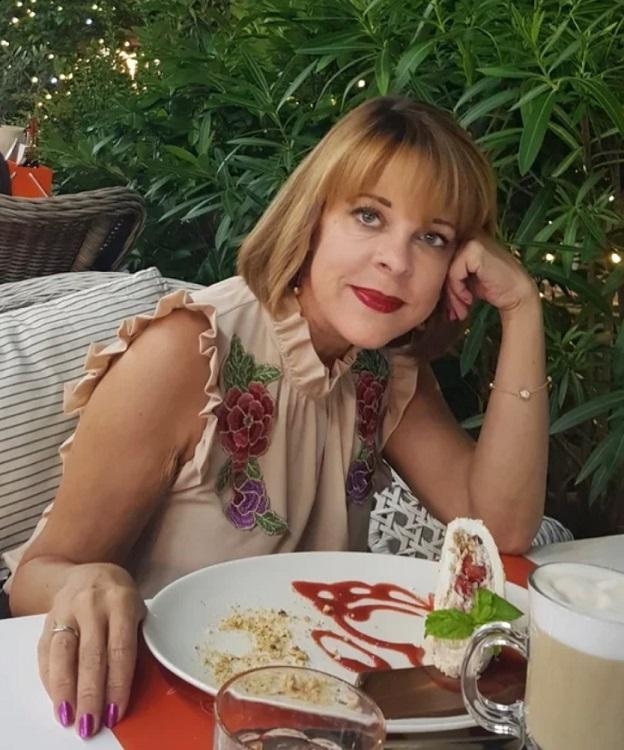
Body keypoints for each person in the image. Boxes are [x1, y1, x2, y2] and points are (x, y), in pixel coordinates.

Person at [5, 96, 548, 738]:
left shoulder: (386, 372)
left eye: (432, 237)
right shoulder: (187, 352)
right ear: (312, 217)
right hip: (147, 706)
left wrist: (522, 309)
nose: (396, 262)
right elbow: (35, 579)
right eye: (369, 215)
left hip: (308, 713)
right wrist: (87, 583)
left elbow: (503, 527)